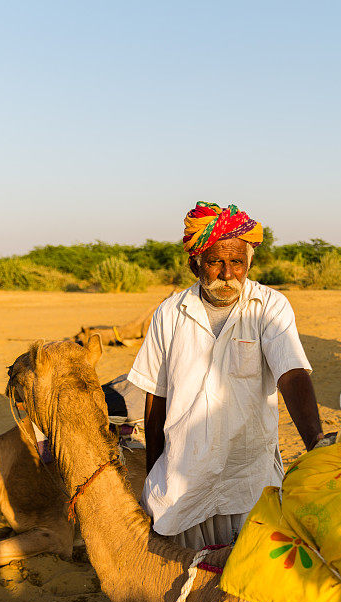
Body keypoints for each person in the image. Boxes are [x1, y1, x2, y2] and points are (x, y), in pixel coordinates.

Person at [127, 201, 324, 549]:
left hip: (247, 480)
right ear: (195, 263)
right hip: (183, 482)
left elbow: (291, 373)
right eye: (216, 262)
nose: (228, 273)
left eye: (237, 262)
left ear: (249, 264)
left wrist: (317, 444)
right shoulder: (169, 314)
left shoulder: (270, 307)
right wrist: (153, 474)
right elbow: (156, 398)